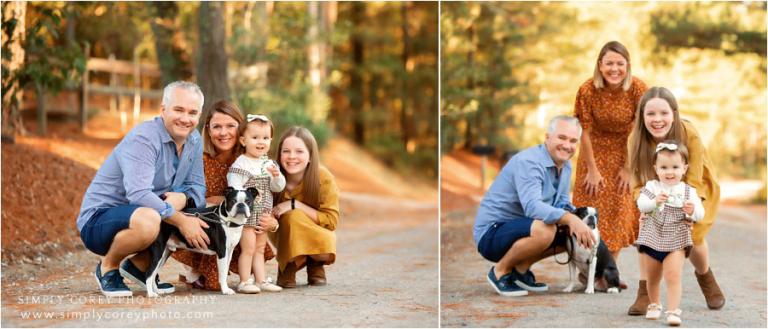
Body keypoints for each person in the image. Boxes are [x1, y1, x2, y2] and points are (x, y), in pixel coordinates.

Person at [77, 81, 209, 297]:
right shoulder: (144, 139)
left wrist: (183, 199)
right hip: (99, 222)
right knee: (153, 217)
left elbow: (197, 187)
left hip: (146, 211)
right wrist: (182, 220)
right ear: (163, 109)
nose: (186, 118)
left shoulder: (193, 140)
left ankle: (140, 267)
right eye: (178, 110)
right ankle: (108, 268)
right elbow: (138, 193)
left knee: (179, 206)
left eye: (192, 112)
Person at [473, 115, 596, 297]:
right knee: (545, 230)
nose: (567, 145)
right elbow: (532, 206)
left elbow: (562, 202)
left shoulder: (565, 164)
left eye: (573, 141)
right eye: (561, 138)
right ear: (547, 138)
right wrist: (570, 219)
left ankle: (520, 271)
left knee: (573, 233)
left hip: (522, 227)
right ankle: (500, 271)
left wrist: (578, 220)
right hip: (492, 234)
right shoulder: (529, 162)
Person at [627, 86, 725, 314]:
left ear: (674, 112)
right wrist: (644, 204)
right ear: (642, 116)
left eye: (664, 113)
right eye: (651, 114)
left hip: (693, 184)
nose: (657, 119)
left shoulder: (688, 133)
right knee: (647, 231)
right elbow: (637, 182)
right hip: (655, 187)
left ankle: (706, 277)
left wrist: (689, 209)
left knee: (693, 233)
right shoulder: (636, 139)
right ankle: (645, 293)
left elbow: (695, 177)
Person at [171, 100, 278, 291]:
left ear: (242, 130)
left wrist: (274, 222)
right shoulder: (200, 159)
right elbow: (184, 196)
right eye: (217, 127)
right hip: (209, 224)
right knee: (213, 284)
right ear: (208, 130)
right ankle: (197, 268)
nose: (223, 132)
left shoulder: (251, 159)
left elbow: (270, 195)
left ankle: (253, 277)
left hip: (245, 224)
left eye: (230, 126)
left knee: (250, 244)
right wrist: (212, 201)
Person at [572, 41, 648, 284]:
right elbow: (583, 130)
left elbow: (641, 130)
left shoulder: (638, 88)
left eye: (620, 63)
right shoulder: (587, 90)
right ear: (600, 65)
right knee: (590, 212)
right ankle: (587, 272)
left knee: (618, 212)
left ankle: (608, 272)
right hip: (592, 152)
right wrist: (592, 170)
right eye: (609, 63)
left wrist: (629, 168)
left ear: (627, 65)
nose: (615, 69)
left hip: (624, 154)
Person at [635, 141, 704, 326]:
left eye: (675, 167)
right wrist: (655, 202)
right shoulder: (652, 187)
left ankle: (673, 311)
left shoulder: (689, 192)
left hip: (676, 238)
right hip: (652, 236)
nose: (669, 172)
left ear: (684, 168)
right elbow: (641, 204)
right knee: (653, 277)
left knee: (673, 275)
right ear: (655, 168)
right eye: (664, 167)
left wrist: (691, 211)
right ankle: (654, 304)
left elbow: (700, 215)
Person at [270, 126, 340, 288]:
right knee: (291, 218)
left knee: (295, 214)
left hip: (316, 231)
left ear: (310, 156)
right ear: (279, 154)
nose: (292, 156)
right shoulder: (271, 177)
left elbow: (331, 221)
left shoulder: (323, 177)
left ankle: (315, 262)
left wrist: (295, 204)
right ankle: (288, 263)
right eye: (286, 151)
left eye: (299, 151)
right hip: (281, 233)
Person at [227, 114, 285, 293]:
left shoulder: (269, 163)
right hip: (247, 215)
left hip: (264, 213)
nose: (261, 142)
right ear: (243, 140)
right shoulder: (241, 163)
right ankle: (244, 281)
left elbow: (277, 188)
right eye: (255, 138)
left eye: (266, 138)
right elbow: (234, 185)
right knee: (248, 248)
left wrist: (277, 176)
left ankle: (261, 280)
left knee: (260, 248)